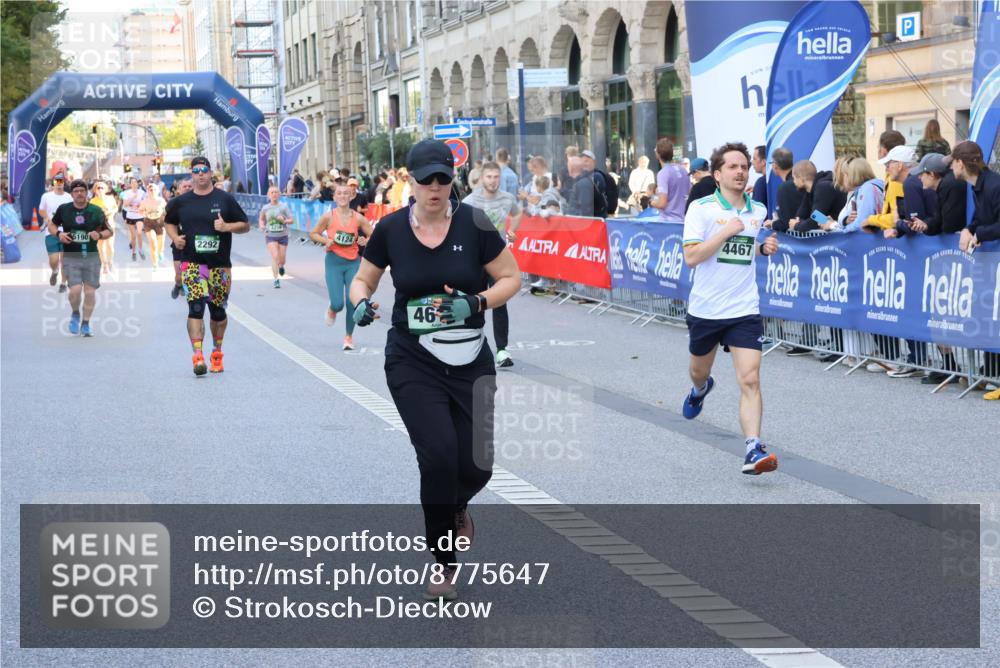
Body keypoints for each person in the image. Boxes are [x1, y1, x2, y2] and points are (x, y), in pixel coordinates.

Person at [348, 139, 521, 600]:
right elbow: (363, 280)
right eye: (427, 180)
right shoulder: (390, 230)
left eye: (444, 179)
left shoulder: (475, 223)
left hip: (470, 358)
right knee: (439, 457)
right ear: (412, 181)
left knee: (477, 466)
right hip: (413, 359)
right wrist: (361, 303)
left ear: (452, 181)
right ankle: (444, 562)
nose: (436, 188)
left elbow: (511, 277)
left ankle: (459, 503)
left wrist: (477, 302)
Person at [681, 142, 780, 475]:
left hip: (744, 308)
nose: (740, 172)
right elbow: (692, 257)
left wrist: (762, 249)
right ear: (717, 174)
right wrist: (724, 232)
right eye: (733, 167)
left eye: (744, 167)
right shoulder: (701, 209)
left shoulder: (757, 210)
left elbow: (744, 250)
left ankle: (753, 448)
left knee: (750, 378)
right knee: (699, 371)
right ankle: (700, 389)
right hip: (707, 309)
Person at [164, 157, 250, 376]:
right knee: (195, 308)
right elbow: (169, 221)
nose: (200, 173)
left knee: (218, 311)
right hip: (192, 263)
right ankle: (198, 356)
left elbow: (245, 225)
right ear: (192, 174)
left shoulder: (225, 199)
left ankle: (217, 352)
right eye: (196, 170)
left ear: (211, 173)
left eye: (204, 170)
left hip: (220, 265)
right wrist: (175, 238)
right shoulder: (181, 202)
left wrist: (226, 226)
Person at [950, 141, 1000, 400]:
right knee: (991, 313)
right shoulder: (978, 185)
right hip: (993, 258)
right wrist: (969, 229)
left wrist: (978, 233)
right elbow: (983, 217)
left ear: (961, 163)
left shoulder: (994, 185)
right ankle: (991, 371)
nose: (951, 167)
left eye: (952, 162)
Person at [463, 162, 523, 368]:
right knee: (474, 302)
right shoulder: (471, 200)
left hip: (498, 257)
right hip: (475, 258)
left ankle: (502, 350)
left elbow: (517, 213)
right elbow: (457, 222)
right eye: (489, 177)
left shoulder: (507, 198)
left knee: (499, 301)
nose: (493, 181)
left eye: (496, 177)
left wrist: (512, 231)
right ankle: (471, 345)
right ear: (482, 179)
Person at [307, 183, 373, 349]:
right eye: (339, 193)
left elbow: (374, 235)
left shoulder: (358, 218)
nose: (343, 196)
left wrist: (365, 240)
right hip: (334, 263)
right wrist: (325, 240)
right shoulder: (328, 217)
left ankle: (348, 337)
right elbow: (313, 234)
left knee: (352, 302)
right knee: (338, 303)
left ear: (351, 196)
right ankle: (332, 309)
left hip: (353, 263)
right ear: (334, 197)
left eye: (346, 193)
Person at [48, 179, 112, 337]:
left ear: (87, 192)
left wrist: (99, 235)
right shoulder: (64, 209)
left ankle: (86, 323)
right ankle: (75, 312)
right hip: (71, 256)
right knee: (75, 291)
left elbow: (109, 231)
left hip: (91, 256)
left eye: (82, 191)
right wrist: (59, 234)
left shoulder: (96, 211)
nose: (79, 194)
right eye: (76, 191)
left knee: (90, 292)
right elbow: (51, 225)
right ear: (71, 194)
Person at [786, 161, 848, 233]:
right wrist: (799, 222)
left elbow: (815, 220)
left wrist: (796, 225)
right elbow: (800, 216)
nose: (793, 182)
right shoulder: (810, 190)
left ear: (801, 179)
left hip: (840, 234)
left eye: (794, 178)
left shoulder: (823, 187)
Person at [913, 153, 966, 236]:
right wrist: (926, 225)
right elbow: (939, 220)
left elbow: (950, 226)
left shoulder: (948, 185)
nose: (919, 177)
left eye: (921, 174)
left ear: (931, 174)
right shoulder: (947, 183)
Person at [38, 174, 73, 292]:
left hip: (66, 232)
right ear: (53, 183)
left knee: (65, 260)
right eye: (57, 181)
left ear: (64, 183)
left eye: (61, 181)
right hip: (51, 232)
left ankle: (63, 283)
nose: (59, 183)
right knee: (54, 260)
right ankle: (54, 271)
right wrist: (47, 218)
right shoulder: (46, 196)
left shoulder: (69, 197)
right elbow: (41, 210)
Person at [259, 185, 293, 288]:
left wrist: (285, 221)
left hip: (283, 235)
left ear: (279, 194)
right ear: (268, 195)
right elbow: (261, 219)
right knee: (275, 256)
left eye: (276, 192)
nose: (274, 194)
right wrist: (262, 226)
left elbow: (291, 220)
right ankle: (276, 279)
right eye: (272, 192)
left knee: (282, 259)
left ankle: (281, 266)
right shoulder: (265, 208)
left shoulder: (283, 207)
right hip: (270, 235)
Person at [650, 139, 690, 223]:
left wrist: (651, 202)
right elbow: (689, 192)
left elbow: (662, 203)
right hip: (684, 220)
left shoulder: (663, 173)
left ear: (658, 154)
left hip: (669, 222)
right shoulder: (683, 170)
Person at [169, 178, 193, 299]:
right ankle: (178, 285)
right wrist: (175, 237)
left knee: (193, 271)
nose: (187, 188)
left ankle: (193, 293)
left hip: (194, 242)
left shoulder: (199, 202)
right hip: (179, 243)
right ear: (178, 190)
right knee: (179, 274)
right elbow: (166, 222)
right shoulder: (173, 203)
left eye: (190, 186)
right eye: (185, 186)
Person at [767, 148, 801, 230]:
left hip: (798, 236)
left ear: (775, 165)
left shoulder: (785, 188)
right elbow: (813, 212)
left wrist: (772, 224)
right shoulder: (803, 180)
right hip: (820, 230)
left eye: (771, 163)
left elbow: (785, 223)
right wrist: (827, 222)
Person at [89, 180, 119, 274]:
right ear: (95, 190)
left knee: (110, 246)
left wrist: (111, 212)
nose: (100, 189)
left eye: (102, 188)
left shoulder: (110, 198)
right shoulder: (93, 201)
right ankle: (104, 264)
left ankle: (110, 262)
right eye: (98, 188)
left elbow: (115, 208)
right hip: (98, 226)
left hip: (109, 224)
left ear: (105, 189)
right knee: (100, 247)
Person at [139, 182, 167, 270]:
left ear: (157, 191)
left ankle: (160, 251)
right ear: (147, 191)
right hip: (149, 223)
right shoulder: (144, 202)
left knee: (160, 242)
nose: (152, 191)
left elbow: (166, 211)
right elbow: (140, 211)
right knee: (153, 242)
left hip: (160, 223)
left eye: (154, 189)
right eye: (150, 190)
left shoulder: (161, 201)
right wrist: (144, 213)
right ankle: (155, 263)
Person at [121, 177, 146, 261]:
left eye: (135, 182)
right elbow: (125, 204)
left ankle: (140, 250)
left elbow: (144, 203)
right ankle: (134, 252)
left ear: (137, 184)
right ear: (130, 184)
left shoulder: (142, 192)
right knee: (133, 236)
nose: (134, 184)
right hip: (130, 216)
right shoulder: (126, 193)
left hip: (140, 215)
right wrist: (133, 197)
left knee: (139, 232)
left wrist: (140, 205)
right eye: (132, 182)